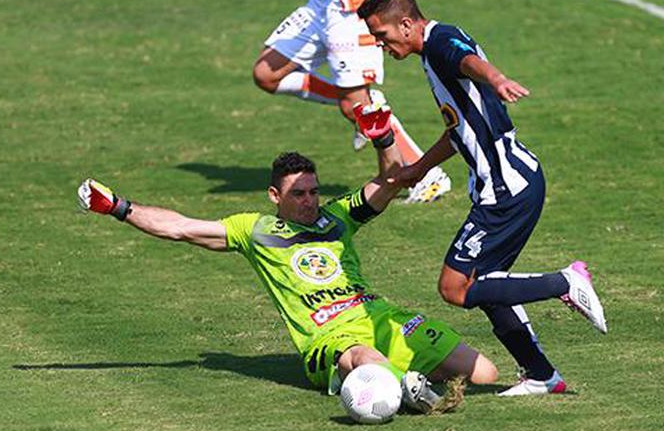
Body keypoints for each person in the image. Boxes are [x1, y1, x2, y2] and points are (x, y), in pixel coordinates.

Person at [76, 105, 498, 412]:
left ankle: (409, 382)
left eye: (313, 191)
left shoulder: (338, 217)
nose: (310, 201)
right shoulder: (255, 230)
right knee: (368, 362)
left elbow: (391, 180)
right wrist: (118, 207)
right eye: (299, 193)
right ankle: (393, 385)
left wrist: (383, 137)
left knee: (484, 374)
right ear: (275, 197)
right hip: (330, 337)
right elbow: (181, 226)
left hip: (379, 317)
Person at [357, 0, 608, 396]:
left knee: (455, 287)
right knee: (487, 283)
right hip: (510, 182)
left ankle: (564, 282)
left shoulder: (439, 44)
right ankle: (542, 374)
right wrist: (418, 168)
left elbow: (469, 62)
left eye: (382, 36)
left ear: (406, 24)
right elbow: (458, 128)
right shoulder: (434, 47)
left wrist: (497, 78)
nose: (382, 46)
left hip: (504, 191)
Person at [252, 0, 449, 203]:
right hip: (320, 3)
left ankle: (430, 176)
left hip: (350, 8)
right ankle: (365, 102)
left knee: (354, 107)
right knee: (266, 74)